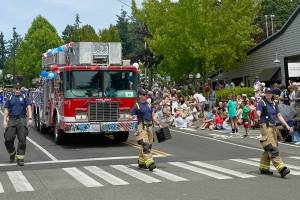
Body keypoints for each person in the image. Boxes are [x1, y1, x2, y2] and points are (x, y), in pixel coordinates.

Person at [256, 87, 292, 178]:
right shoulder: (261, 103)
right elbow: (258, 112)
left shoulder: (274, 103)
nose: (268, 94)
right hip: (265, 127)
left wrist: (287, 126)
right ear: (264, 93)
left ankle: (263, 168)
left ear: (272, 94)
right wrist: (257, 115)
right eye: (266, 92)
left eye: (270, 92)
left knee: (268, 148)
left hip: (273, 127)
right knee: (272, 148)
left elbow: (279, 115)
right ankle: (281, 168)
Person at [2, 83, 33, 166]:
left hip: (21, 119)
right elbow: (6, 110)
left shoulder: (24, 97)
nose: (18, 90)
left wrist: (30, 118)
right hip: (12, 119)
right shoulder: (10, 97)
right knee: (8, 139)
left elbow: (29, 107)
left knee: (22, 139)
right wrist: (4, 121)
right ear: (14, 89)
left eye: (19, 88)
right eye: (16, 88)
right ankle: (12, 153)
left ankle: (20, 158)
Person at [129, 89, 156, 171]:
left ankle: (141, 162)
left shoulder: (149, 105)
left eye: (146, 94)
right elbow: (130, 116)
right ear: (140, 95)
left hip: (150, 126)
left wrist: (160, 124)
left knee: (149, 145)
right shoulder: (137, 106)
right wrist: (132, 117)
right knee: (145, 145)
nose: (145, 96)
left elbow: (152, 116)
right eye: (144, 94)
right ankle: (150, 163)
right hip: (142, 127)